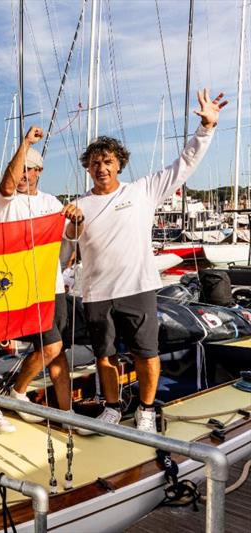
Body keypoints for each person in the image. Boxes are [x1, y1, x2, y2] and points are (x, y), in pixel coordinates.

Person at [74, 89, 226, 435]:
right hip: (96, 292)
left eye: (108, 161)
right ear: (88, 167)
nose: (102, 168)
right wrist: (72, 224)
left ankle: (144, 410)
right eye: (95, 163)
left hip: (137, 288)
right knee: (104, 356)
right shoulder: (80, 204)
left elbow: (184, 164)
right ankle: (112, 409)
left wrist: (206, 128)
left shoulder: (142, 190)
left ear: (119, 164)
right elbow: (69, 244)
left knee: (145, 353)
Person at [0, 126, 85, 429]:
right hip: (22, 289)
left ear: (40, 171)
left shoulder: (51, 202)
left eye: (28, 170)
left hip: (53, 287)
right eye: (19, 169)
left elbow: (70, 236)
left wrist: (77, 220)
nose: (22, 175)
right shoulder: (3, 200)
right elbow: (6, 187)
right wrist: (25, 144)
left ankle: (66, 413)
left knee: (58, 357)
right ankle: (16, 392)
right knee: (51, 348)